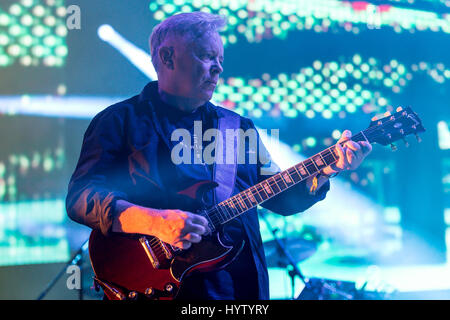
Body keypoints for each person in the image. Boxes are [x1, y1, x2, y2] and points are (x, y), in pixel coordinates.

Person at [66, 11, 372, 300]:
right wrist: (155, 222)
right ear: (167, 57)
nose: (218, 67)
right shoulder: (119, 121)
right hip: (155, 286)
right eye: (206, 55)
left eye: (220, 59)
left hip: (239, 290)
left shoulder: (237, 128)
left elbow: (281, 198)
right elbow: (82, 197)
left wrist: (325, 170)